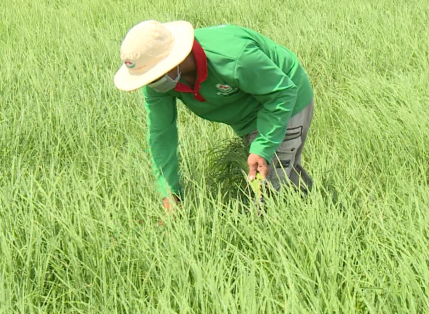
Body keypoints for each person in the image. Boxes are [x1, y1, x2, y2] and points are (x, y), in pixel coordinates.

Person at [113, 20, 315, 211]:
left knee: (269, 188)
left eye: (154, 75)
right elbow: (161, 134)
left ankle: (279, 231)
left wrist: (263, 146)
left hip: (285, 98)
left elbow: (282, 92)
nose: (152, 84)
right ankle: (312, 207)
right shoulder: (159, 84)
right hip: (247, 114)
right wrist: (170, 192)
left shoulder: (234, 57)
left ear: (175, 59)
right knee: (280, 171)